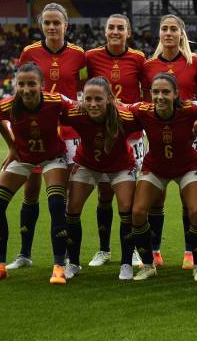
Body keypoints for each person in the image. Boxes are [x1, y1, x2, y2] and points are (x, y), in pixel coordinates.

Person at [6, 3, 86, 270]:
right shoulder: (29, 52)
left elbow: (85, 89)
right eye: (47, 23)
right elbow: (20, 95)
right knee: (30, 192)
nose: (52, 27)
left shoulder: (79, 55)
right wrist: (15, 142)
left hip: (69, 134)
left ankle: (66, 258)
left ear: (66, 25)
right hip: (34, 134)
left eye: (57, 23)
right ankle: (24, 254)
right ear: (41, 26)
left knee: (64, 198)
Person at [0, 63, 73, 285]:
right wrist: (11, 147)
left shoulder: (55, 101)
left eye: (31, 84)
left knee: (56, 203)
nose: (26, 89)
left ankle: (60, 266)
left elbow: (78, 111)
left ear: (42, 85)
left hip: (53, 158)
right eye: (21, 84)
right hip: (23, 158)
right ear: (15, 85)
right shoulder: (7, 105)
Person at [128, 73, 197, 281]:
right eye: (155, 92)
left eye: (165, 92)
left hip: (187, 167)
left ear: (176, 94)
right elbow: (120, 110)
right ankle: (148, 264)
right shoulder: (143, 111)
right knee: (137, 212)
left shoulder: (189, 109)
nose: (160, 96)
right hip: (156, 168)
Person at [60, 77, 140, 280]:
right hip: (88, 164)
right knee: (72, 209)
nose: (93, 104)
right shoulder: (76, 113)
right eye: (88, 99)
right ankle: (74, 263)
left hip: (120, 166)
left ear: (109, 99)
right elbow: (49, 111)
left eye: (98, 99)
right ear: (82, 99)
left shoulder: (124, 116)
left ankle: (126, 263)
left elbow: (148, 118)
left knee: (126, 209)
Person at [85, 14, 146, 268]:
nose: (115, 31)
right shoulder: (90, 57)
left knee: (130, 197)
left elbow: (148, 91)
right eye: (111, 27)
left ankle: (131, 250)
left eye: (121, 28)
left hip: (132, 137)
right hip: (104, 136)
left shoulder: (139, 59)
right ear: (105, 30)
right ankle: (103, 249)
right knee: (104, 193)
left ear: (128, 33)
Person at [143, 14, 197, 268]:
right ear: (159, 34)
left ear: (181, 34)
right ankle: (155, 250)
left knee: (189, 196)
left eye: (173, 29)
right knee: (157, 197)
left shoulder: (195, 62)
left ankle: (189, 251)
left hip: (188, 136)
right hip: (159, 136)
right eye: (164, 29)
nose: (168, 33)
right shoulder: (148, 66)